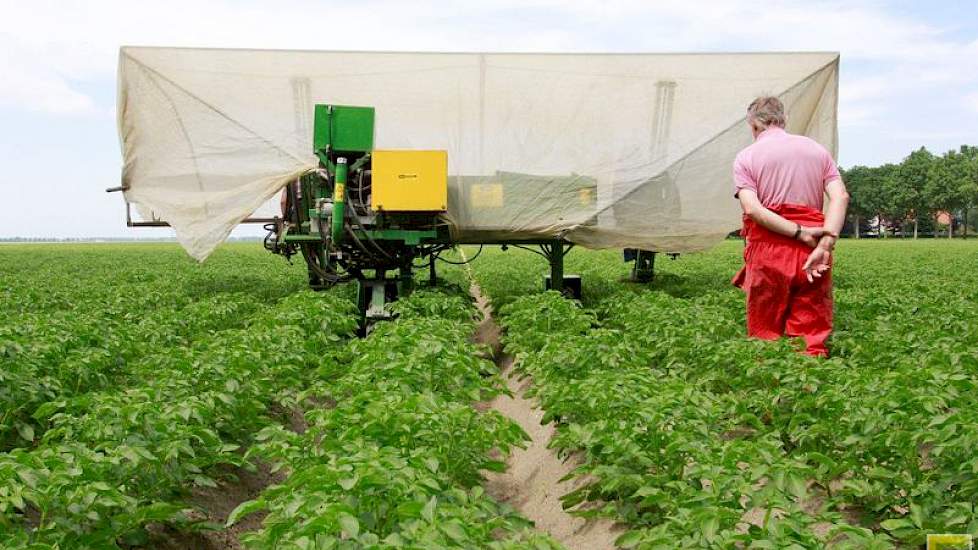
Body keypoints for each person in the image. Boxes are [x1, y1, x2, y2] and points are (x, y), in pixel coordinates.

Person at [731, 96, 849, 357]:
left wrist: (797, 232)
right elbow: (840, 197)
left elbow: (752, 209)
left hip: (769, 248)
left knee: (765, 330)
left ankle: (768, 388)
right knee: (810, 332)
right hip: (815, 248)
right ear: (783, 120)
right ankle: (810, 387)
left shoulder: (746, 157)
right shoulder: (817, 151)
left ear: (753, 125)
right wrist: (826, 243)